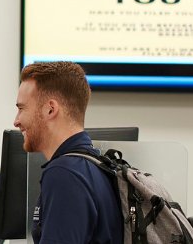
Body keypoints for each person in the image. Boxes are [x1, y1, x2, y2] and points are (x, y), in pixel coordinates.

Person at [13, 62, 123, 244]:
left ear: (50, 109)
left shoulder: (65, 174)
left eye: (21, 108)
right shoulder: (97, 167)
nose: (16, 121)